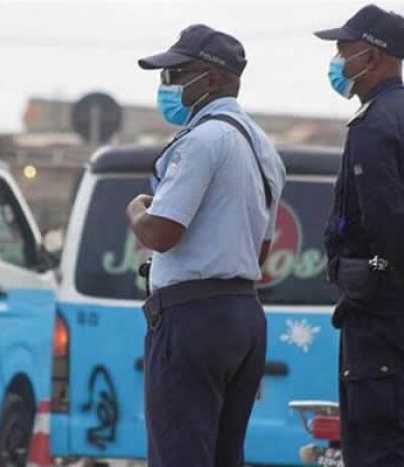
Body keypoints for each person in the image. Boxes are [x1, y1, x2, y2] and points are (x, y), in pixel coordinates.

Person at [127, 24, 286, 467]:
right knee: (223, 456)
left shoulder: (201, 141)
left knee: (179, 454)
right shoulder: (263, 147)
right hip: (243, 315)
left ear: (211, 78)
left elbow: (161, 232)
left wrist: (136, 210)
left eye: (176, 75)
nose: (167, 87)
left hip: (192, 318)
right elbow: (260, 253)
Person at [315, 4, 404, 466]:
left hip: (384, 314)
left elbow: (390, 222)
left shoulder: (375, 124)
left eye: (344, 52)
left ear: (373, 57)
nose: (338, 64)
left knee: (378, 449)